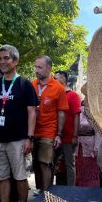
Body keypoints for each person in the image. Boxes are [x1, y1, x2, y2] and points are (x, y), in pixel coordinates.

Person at [0, 45, 37, 202]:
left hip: (18, 138)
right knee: (1, 177)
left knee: (20, 176)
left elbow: (32, 113)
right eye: (0, 59)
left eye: (6, 58)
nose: (2, 62)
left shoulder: (25, 84)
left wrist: (30, 137)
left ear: (15, 61)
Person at [32, 56, 69, 191]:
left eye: (39, 67)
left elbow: (61, 113)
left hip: (49, 132)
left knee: (45, 163)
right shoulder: (32, 84)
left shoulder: (58, 88)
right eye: (36, 67)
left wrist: (59, 134)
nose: (36, 70)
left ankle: (46, 193)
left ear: (49, 68)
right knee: (36, 164)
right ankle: (41, 191)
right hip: (32, 131)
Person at [54, 71, 81, 186]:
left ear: (63, 79)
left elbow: (76, 116)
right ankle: (48, 188)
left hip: (69, 136)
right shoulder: (55, 95)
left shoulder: (73, 95)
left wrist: (75, 135)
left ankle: (71, 189)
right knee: (51, 162)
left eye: (56, 78)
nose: (54, 80)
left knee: (70, 164)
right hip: (54, 135)